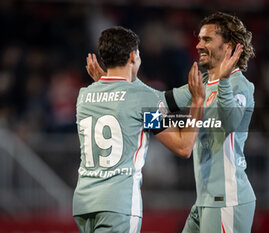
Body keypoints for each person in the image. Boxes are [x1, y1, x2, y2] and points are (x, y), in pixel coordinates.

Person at [86, 12, 255, 233]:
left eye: (207, 39)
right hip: (205, 201)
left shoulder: (239, 85)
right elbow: (159, 102)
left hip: (228, 200)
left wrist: (223, 82)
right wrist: (117, 85)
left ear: (229, 46)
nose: (198, 45)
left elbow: (230, 123)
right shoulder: (202, 83)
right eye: (199, 39)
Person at [73, 26, 207, 233]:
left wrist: (102, 81)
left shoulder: (84, 96)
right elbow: (183, 146)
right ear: (133, 56)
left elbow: (134, 100)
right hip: (118, 204)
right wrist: (198, 101)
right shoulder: (141, 99)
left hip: (84, 204)